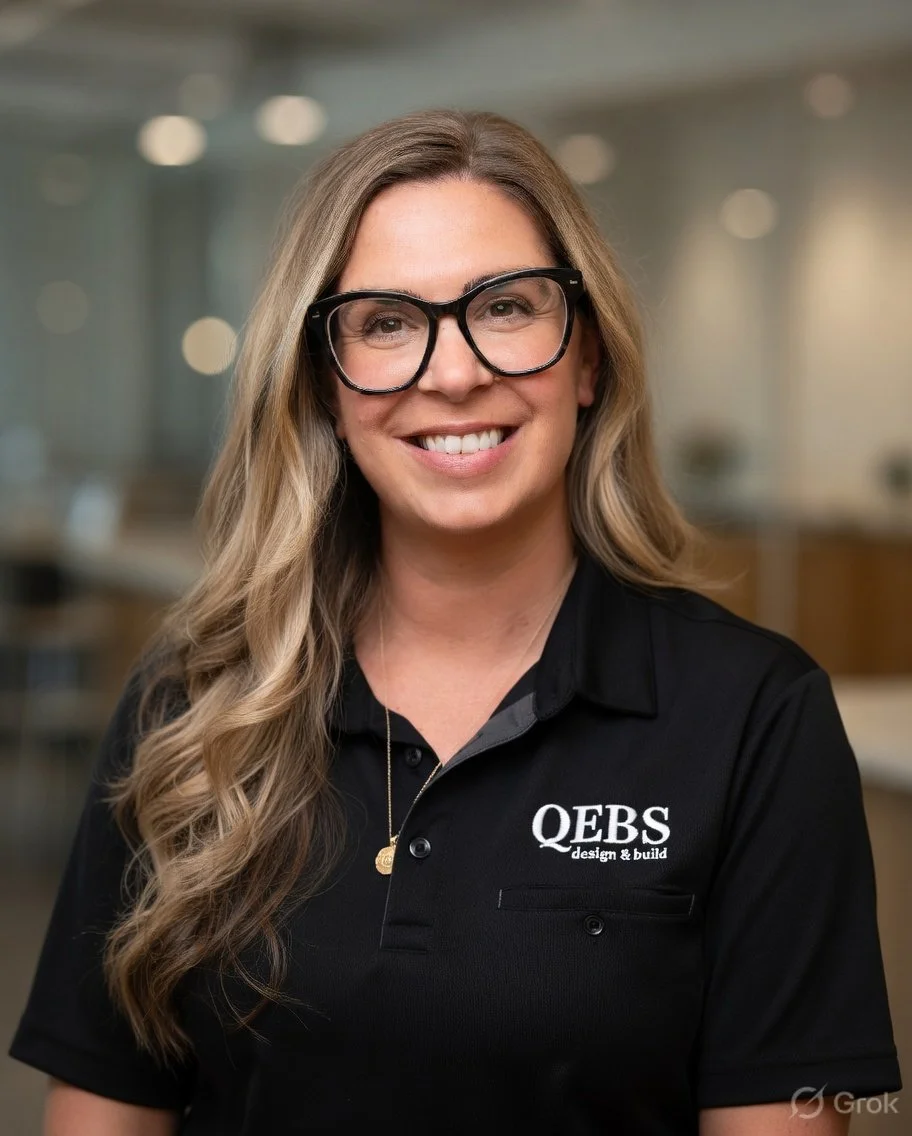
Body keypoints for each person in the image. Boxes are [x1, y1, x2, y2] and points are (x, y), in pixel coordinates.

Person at [9, 109, 901, 1135]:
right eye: (386, 321)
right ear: (324, 383)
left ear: (589, 359)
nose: (454, 369)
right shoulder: (195, 697)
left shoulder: (755, 717)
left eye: (508, 306)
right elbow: (105, 1106)